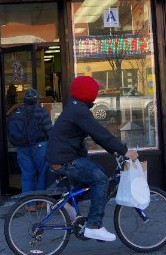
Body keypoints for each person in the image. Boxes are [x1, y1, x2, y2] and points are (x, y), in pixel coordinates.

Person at [45, 76, 139, 242]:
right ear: (87, 93)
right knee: (100, 179)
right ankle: (94, 226)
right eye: (95, 90)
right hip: (65, 160)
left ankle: (67, 203)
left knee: (97, 172)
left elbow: (92, 136)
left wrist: (114, 150)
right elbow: (99, 133)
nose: (97, 93)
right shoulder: (79, 111)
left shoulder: (75, 107)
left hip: (62, 157)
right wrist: (123, 151)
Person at [8, 88, 53, 195]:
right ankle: (41, 200)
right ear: (37, 100)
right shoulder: (42, 112)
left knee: (27, 175)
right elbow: (50, 131)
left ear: (24, 100)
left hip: (22, 148)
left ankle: (29, 202)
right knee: (42, 174)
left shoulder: (17, 112)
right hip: (40, 147)